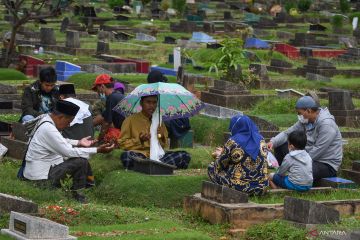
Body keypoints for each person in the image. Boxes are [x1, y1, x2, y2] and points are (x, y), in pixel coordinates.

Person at [22, 100, 114, 203]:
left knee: (79, 160)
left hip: (39, 173)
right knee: (81, 161)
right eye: (69, 122)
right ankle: (78, 196)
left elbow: (59, 141)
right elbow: (68, 151)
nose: (69, 125)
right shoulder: (48, 128)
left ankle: (78, 190)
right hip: (40, 180)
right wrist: (97, 150)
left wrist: (78, 142)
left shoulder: (46, 120)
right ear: (61, 117)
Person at [267, 96, 343, 182]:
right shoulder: (305, 120)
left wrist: (296, 162)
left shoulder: (326, 124)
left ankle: (285, 177)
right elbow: (287, 133)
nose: (299, 116)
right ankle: (284, 173)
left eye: (300, 113)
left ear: (309, 111)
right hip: (305, 156)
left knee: (302, 171)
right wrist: (273, 142)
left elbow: (318, 150)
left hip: (325, 163)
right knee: (281, 145)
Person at [119, 95, 191, 169]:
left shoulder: (159, 121)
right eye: (148, 102)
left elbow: (164, 146)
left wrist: (161, 136)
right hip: (140, 155)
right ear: (141, 103)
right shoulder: (130, 120)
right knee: (126, 156)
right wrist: (140, 140)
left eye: (154, 103)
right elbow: (122, 144)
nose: (151, 106)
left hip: (158, 157)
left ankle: (150, 168)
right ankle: (158, 168)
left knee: (184, 155)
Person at [207, 115, 269, 195]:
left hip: (239, 188)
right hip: (262, 187)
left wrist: (219, 155)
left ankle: (229, 188)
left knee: (211, 167)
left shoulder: (233, 142)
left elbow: (220, 165)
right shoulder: (261, 140)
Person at [58, 84, 95, 187]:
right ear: (75, 95)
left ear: (61, 97)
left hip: (71, 148)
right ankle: (89, 181)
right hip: (88, 145)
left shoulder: (63, 105)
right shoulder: (87, 105)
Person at [146, 70, 191, 144]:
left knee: (156, 121)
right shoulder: (157, 91)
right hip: (170, 119)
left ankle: (159, 142)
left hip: (178, 122)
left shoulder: (166, 91)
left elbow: (166, 112)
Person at [92, 74, 125, 141]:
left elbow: (107, 123)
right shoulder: (117, 95)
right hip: (125, 130)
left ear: (102, 86)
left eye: (97, 88)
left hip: (123, 132)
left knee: (109, 133)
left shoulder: (111, 98)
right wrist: (88, 125)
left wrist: (99, 139)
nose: (97, 92)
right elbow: (102, 117)